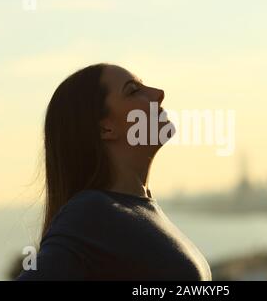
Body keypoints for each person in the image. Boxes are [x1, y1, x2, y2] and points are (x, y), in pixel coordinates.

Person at [16, 63, 212, 280]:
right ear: (105, 128)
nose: (158, 94)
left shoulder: (133, 209)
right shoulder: (89, 214)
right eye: (133, 91)